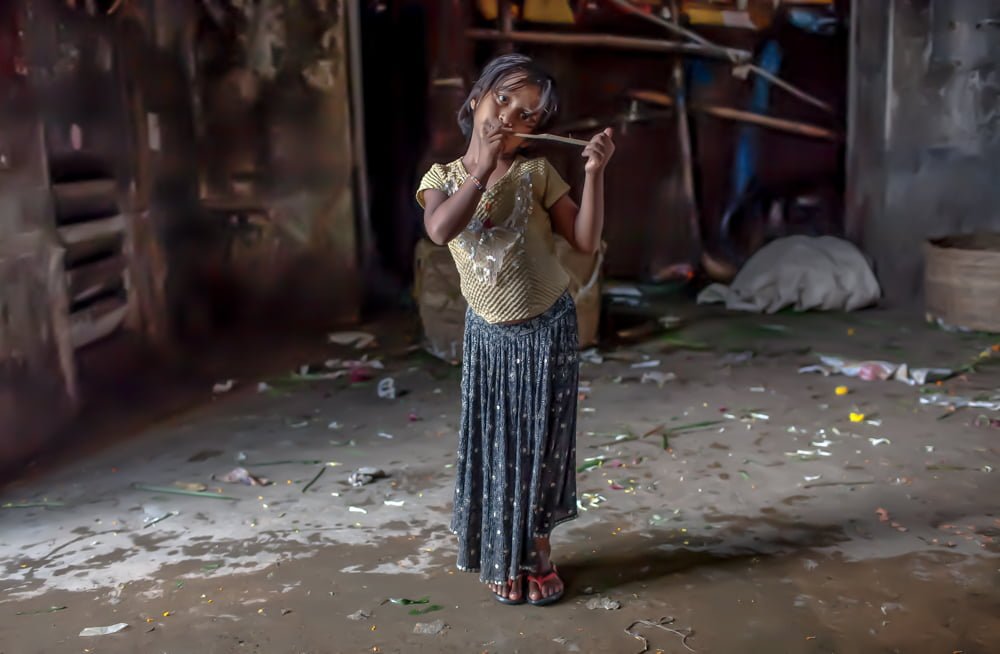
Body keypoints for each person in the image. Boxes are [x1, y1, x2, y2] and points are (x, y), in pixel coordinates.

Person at [416, 53, 614, 606]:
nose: (508, 116)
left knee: (543, 447)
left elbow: (584, 241)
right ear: (477, 97)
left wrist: (594, 174)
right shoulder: (442, 180)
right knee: (500, 448)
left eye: (526, 115)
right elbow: (439, 230)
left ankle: (540, 551)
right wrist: (479, 169)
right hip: (490, 341)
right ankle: (504, 553)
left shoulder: (537, 173)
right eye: (502, 99)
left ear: (535, 132)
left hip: (548, 329)